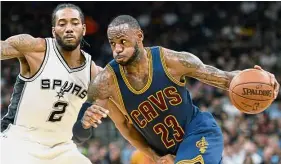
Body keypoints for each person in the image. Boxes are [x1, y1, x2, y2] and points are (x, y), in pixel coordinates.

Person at [75, 15, 280, 163]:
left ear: (139, 36)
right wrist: (155, 157)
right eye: (112, 43)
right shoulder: (107, 82)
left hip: (199, 133)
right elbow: (122, 129)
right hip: (167, 153)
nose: (117, 49)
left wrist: (258, 80)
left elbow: (225, 79)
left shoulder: (171, 61)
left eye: (123, 41)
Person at [0, 3, 108, 164]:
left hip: (62, 148)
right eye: (62, 23)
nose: (69, 28)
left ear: (84, 29)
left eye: (75, 23)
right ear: (53, 31)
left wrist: (85, 123)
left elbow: (81, 135)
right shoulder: (35, 49)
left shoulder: (94, 72)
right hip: (20, 140)